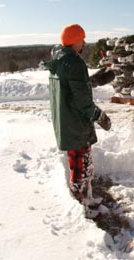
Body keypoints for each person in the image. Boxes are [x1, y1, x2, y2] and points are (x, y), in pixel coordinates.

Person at [44, 24, 111, 206]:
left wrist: (94, 80)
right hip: (76, 124)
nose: (84, 43)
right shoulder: (74, 62)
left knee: (77, 162)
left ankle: (85, 197)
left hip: (67, 121)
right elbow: (82, 101)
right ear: (74, 41)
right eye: (82, 39)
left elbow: (73, 87)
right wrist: (99, 115)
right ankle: (83, 202)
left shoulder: (60, 60)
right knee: (81, 164)